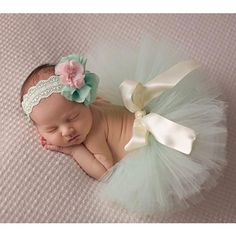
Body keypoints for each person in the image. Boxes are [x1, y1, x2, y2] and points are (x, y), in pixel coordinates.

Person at [20, 36, 227, 216]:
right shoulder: (96, 105)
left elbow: (104, 171)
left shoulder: (93, 136)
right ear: (38, 129)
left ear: (84, 100)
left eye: (73, 117)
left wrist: (75, 151)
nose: (67, 131)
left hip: (149, 147)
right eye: (52, 129)